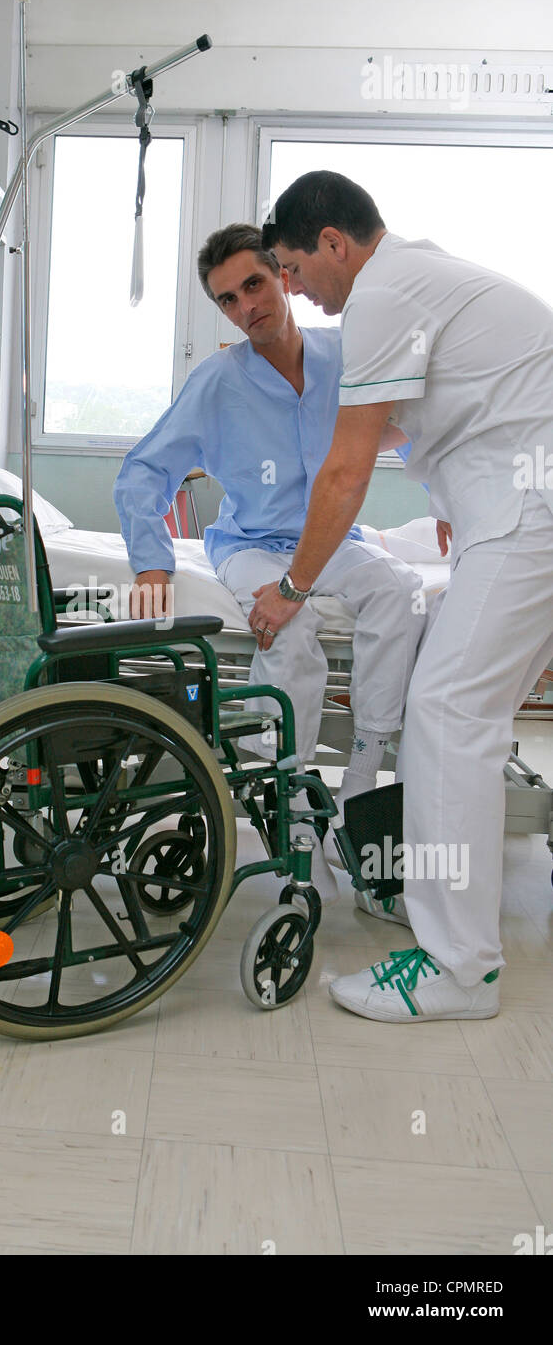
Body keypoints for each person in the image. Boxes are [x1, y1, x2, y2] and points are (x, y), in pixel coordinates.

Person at [259, 169, 553, 1021]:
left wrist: (292, 586)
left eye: (291, 268)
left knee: (447, 713)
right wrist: (452, 502)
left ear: (334, 245)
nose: (294, 291)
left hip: (527, 513)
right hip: (516, 509)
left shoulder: (381, 297)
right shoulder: (420, 277)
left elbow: (348, 471)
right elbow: (449, 413)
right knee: (467, 714)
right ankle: (460, 952)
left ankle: (459, 970)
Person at [114, 223, 424, 904]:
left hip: (331, 539)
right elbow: (143, 471)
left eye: (253, 284)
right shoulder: (218, 382)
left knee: (401, 591)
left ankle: (362, 784)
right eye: (227, 299)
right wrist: (150, 563)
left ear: (284, 278)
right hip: (251, 542)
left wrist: (449, 498)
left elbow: (414, 428)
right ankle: (294, 817)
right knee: (288, 631)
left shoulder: (345, 356)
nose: (245, 306)